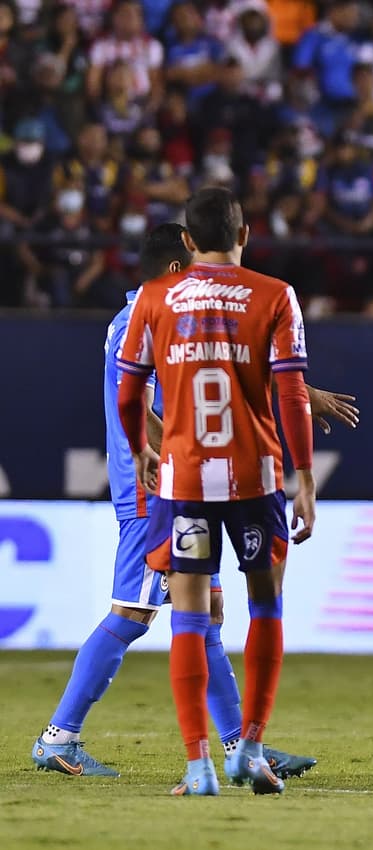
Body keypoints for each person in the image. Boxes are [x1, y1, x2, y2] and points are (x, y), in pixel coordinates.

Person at [32, 223, 355, 781]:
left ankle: (241, 747)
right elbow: (142, 414)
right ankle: (59, 736)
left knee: (207, 614)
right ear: (178, 269)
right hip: (153, 489)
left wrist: (303, 393)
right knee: (133, 612)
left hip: (185, 488)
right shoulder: (139, 320)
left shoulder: (169, 315)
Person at [116, 188, 317, 796]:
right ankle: (249, 748)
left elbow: (130, 393)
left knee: (189, 616)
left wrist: (140, 449)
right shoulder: (275, 295)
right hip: (255, 478)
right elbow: (292, 392)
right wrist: (305, 476)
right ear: (244, 234)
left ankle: (198, 764)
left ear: (187, 240)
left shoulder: (154, 298)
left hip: (184, 479)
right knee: (265, 606)